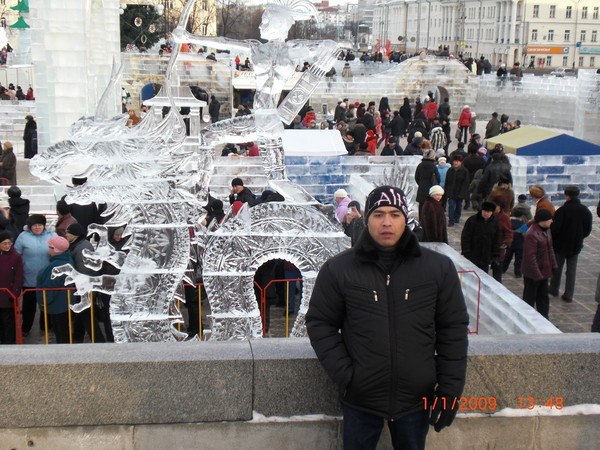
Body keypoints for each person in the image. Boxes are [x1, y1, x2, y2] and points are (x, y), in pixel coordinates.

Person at [306, 185, 468, 450]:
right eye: (378, 214)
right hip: (360, 399)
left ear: (406, 218)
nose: (387, 222)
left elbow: (453, 328)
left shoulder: (437, 268)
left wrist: (450, 389)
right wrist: (348, 375)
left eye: (394, 214)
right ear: (367, 218)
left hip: (416, 399)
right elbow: (320, 323)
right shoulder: (339, 268)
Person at [14, 214, 57, 336]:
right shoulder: (23, 236)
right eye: (34, 225)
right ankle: (26, 328)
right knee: (29, 305)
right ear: (30, 227)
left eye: (39, 225)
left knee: (47, 303)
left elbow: (59, 250)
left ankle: (46, 326)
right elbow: (16, 254)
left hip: (47, 278)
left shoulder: (52, 235)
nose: (37, 227)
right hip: (29, 278)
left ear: (44, 225)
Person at [549, 186, 593, 303]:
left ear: (566, 195)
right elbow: (587, 229)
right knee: (572, 270)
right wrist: (580, 237)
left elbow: (555, 229)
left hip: (561, 245)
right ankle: (569, 294)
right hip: (576, 245)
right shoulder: (585, 211)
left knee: (557, 268)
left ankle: (554, 288)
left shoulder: (562, 210)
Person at [36, 236, 75, 344]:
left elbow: (50, 287)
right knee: (63, 330)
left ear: (55, 249)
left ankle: (63, 352)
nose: (48, 249)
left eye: (50, 247)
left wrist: (43, 301)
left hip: (58, 305)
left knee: (61, 332)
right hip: (64, 302)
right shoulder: (67, 260)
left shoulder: (56, 266)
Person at [522, 209, 557, 319]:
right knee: (529, 299)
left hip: (544, 271)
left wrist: (554, 264)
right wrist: (537, 274)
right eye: (550, 219)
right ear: (543, 220)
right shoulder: (531, 234)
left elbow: (550, 248)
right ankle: (527, 320)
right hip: (533, 274)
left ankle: (544, 320)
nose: (552, 221)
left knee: (543, 298)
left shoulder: (547, 230)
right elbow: (530, 257)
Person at [461, 201, 501, 273]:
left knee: (483, 275)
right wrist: (466, 251)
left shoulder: (495, 222)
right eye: (484, 211)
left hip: (486, 255)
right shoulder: (472, 220)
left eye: (488, 212)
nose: (486, 213)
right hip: (473, 253)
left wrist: (495, 254)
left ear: (492, 212)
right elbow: (465, 237)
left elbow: (496, 239)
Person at [0, 231, 23, 344]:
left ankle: (9, 343)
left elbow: (18, 277)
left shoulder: (16, 257)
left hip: (8, 296)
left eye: (9, 243)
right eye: (4, 243)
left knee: (8, 322)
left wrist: (14, 293)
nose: (7, 246)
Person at [444, 154, 470, 226]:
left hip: (459, 192)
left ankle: (457, 217)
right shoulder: (450, 170)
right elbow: (447, 182)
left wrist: (462, 193)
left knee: (458, 206)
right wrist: (446, 192)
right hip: (451, 192)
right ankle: (451, 221)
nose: (456, 163)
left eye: (458, 161)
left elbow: (466, 183)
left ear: (461, 162)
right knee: (451, 206)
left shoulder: (464, 171)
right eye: (455, 161)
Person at [414, 147, 440, 218]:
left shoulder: (420, 165)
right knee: (430, 204)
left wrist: (420, 183)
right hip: (431, 186)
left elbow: (416, 177)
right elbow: (438, 177)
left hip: (422, 185)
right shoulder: (433, 166)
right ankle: (428, 219)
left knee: (421, 204)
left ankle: (421, 218)